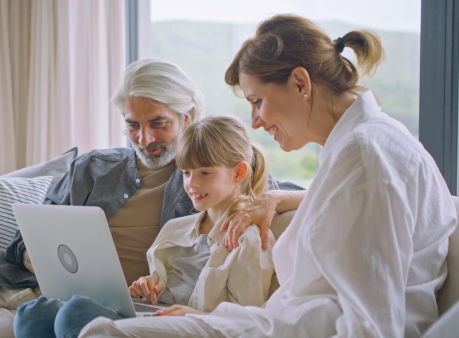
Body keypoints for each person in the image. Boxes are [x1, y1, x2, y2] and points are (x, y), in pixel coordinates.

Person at [0, 59, 303, 337]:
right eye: (133, 124)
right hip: (7, 279)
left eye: (158, 123)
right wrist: (30, 252)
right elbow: (25, 233)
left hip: (86, 312)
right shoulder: (94, 167)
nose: (144, 138)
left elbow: (317, 193)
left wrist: (273, 202)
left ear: (188, 116)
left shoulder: (213, 176)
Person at [78, 14, 458, 338]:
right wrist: (280, 198)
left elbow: (373, 324)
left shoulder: (367, 155)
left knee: (102, 333)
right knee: (100, 328)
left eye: (257, 101)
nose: (256, 121)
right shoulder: (359, 148)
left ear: (300, 83)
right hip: (281, 323)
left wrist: (218, 324)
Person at [13, 115, 277, 338]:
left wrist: (198, 317)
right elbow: (167, 284)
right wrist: (151, 284)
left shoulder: (249, 239)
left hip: (192, 327)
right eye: (186, 172)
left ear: (239, 173)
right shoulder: (176, 229)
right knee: (35, 312)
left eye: (204, 173)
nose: (192, 184)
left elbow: (249, 321)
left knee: (76, 313)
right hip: (154, 314)